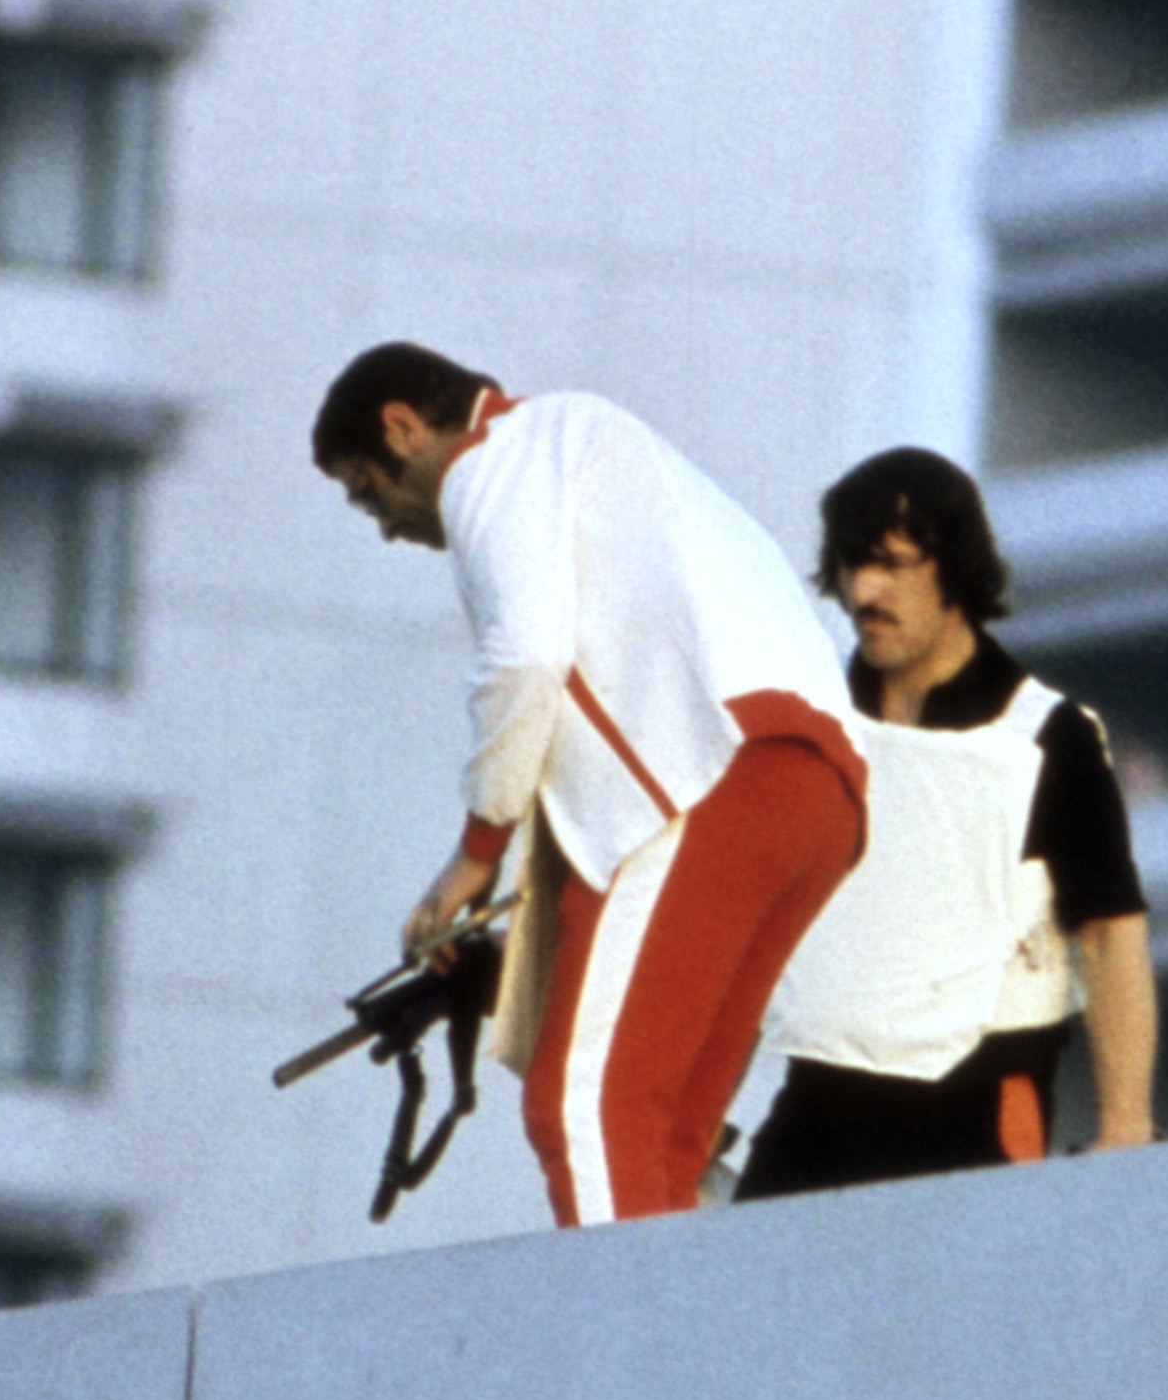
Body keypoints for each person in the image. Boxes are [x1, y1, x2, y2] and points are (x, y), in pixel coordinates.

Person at [313, 342, 865, 1226]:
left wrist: (473, 859)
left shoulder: (498, 459)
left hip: (712, 780)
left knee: (584, 1110)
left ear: (403, 429)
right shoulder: (590, 442)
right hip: (815, 795)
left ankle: (634, 1361)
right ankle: (688, 1337)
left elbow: (529, 657)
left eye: (368, 493)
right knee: (672, 1136)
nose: (384, 526)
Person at [740, 447, 1154, 1199]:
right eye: (851, 566)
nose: (866, 589)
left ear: (956, 569)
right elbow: (750, 923)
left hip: (977, 1109)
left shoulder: (1045, 739)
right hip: (815, 1102)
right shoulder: (816, 726)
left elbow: (1110, 933)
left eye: (894, 564)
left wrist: (1126, 1124)